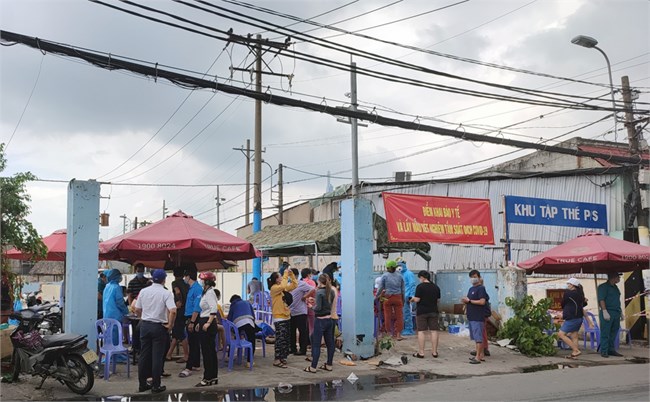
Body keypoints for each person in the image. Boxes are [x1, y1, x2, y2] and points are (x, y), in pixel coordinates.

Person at [134, 269, 176, 394]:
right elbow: (173, 310)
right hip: (159, 327)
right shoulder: (166, 293)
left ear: (153, 279)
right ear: (164, 280)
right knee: (157, 357)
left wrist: (143, 318)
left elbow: (137, 309)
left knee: (144, 355)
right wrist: (170, 325)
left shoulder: (144, 291)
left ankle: (142, 384)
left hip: (145, 325)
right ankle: (156, 385)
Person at [304, 274, 336, 373]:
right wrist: (315, 301)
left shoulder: (319, 292)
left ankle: (313, 367)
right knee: (330, 343)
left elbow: (318, 308)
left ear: (319, 281)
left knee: (316, 344)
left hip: (320, 320)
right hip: (329, 320)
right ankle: (329, 364)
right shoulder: (331, 291)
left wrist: (310, 306)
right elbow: (326, 304)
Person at [267, 268, 298, 368]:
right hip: (279, 317)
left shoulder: (282, 288)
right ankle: (277, 359)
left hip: (286, 315)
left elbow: (294, 285)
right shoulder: (274, 288)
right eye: (279, 276)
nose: (281, 277)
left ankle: (283, 357)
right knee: (280, 339)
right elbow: (284, 285)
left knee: (285, 339)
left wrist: (291, 275)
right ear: (276, 279)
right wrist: (285, 274)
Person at [194, 271, 219, 387]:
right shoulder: (206, 293)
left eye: (202, 280)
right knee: (209, 351)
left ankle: (208, 377)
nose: (201, 282)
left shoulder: (210, 293)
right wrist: (200, 322)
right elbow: (205, 310)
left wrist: (208, 322)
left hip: (208, 323)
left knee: (207, 352)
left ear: (207, 282)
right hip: (204, 320)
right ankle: (212, 376)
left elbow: (213, 308)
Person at [179, 262, 202, 378]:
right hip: (190, 316)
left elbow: (197, 307)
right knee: (194, 342)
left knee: (192, 343)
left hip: (194, 317)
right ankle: (196, 364)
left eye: (185, 276)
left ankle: (188, 367)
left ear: (188, 276)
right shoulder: (192, 288)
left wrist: (192, 322)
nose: (184, 278)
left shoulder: (197, 289)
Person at [461, 269, 489, 364]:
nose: (473, 279)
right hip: (471, 316)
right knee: (475, 337)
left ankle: (478, 357)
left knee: (478, 337)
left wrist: (469, 301)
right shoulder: (471, 289)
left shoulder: (481, 289)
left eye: (475, 277)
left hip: (478, 316)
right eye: (471, 277)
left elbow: (482, 302)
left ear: (479, 277)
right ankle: (479, 354)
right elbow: (469, 300)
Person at [412, 270, 441, 358]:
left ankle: (421, 353)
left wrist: (412, 299)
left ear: (422, 277)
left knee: (421, 331)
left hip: (422, 312)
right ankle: (435, 352)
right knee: (434, 331)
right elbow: (438, 300)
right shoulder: (436, 287)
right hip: (433, 311)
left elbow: (417, 299)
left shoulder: (420, 287)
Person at [376, 260, 405, 341]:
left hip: (387, 297)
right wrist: (403, 299)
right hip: (398, 297)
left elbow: (380, 288)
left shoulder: (384, 276)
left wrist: (376, 296)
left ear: (387, 267)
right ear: (395, 267)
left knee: (387, 316)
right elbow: (403, 289)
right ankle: (398, 334)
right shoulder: (400, 276)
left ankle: (389, 334)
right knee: (399, 316)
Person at [166, 265, 189, 363]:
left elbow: (177, 292)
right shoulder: (186, 283)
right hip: (186, 310)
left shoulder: (174, 283)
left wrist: (179, 301)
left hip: (179, 310)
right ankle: (169, 354)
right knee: (176, 333)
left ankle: (186, 355)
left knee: (180, 333)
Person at [290, 268, 315, 356]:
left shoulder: (301, 284)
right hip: (291, 311)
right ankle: (292, 348)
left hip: (300, 311)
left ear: (296, 276)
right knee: (291, 331)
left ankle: (302, 349)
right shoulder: (288, 284)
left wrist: (305, 297)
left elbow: (312, 289)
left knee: (302, 331)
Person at [558, 278, 585, 359]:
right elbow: (583, 304)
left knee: (561, 334)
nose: (568, 285)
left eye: (569, 284)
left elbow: (563, 303)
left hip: (572, 317)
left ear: (573, 285)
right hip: (579, 317)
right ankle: (574, 354)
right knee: (574, 335)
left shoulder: (568, 293)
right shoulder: (580, 294)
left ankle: (576, 350)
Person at [598, 272, 623, 358]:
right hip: (608, 312)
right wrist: (604, 311)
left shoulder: (615, 288)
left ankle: (611, 349)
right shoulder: (603, 287)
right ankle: (604, 350)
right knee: (605, 332)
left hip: (616, 312)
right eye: (618, 277)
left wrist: (621, 312)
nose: (619, 279)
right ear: (613, 277)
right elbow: (601, 300)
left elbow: (617, 301)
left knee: (614, 332)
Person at [103, 269, 129, 344]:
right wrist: (126, 311)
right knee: (116, 338)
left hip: (107, 315)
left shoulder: (107, 287)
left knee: (109, 336)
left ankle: (109, 353)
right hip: (115, 316)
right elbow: (119, 302)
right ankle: (117, 355)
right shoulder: (116, 287)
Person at [397, 259, 417, 336]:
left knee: (407, 313)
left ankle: (409, 329)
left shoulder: (409, 274)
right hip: (400, 296)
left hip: (406, 296)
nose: (399, 267)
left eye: (400, 265)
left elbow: (412, 285)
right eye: (398, 265)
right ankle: (403, 328)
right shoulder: (399, 274)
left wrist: (411, 295)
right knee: (401, 313)